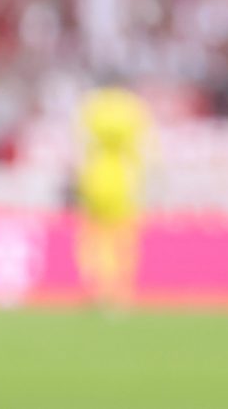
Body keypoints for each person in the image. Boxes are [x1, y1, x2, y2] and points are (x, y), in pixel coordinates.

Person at [75, 83, 150, 310]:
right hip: (124, 181)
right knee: (124, 240)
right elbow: (142, 149)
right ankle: (121, 291)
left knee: (95, 240)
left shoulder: (92, 106)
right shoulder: (133, 108)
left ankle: (97, 289)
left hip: (95, 179)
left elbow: (81, 145)